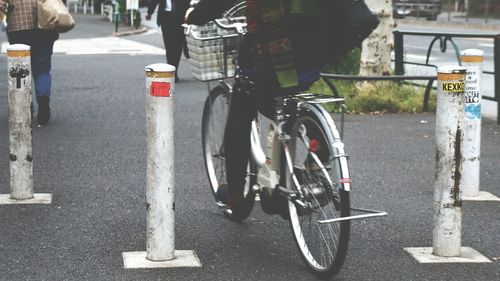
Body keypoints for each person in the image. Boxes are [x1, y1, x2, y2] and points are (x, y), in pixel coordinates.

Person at [186, 0, 326, 220]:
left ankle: (235, 197)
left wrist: (195, 15)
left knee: (240, 114)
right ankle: (317, 154)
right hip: (312, 52)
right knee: (285, 105)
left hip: (272, 55)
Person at [0, 0, 63, 126]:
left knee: (21, 70)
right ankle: (43, 102)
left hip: (18, 28)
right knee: (42, 70)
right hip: (45, 25)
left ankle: (25, 108)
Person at [146, 0, 190, 82]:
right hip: (165, 18)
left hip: (180, 18)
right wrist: (149, 13)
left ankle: (175, 69)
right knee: (169, 46)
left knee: (178, 46)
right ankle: (172, 72)